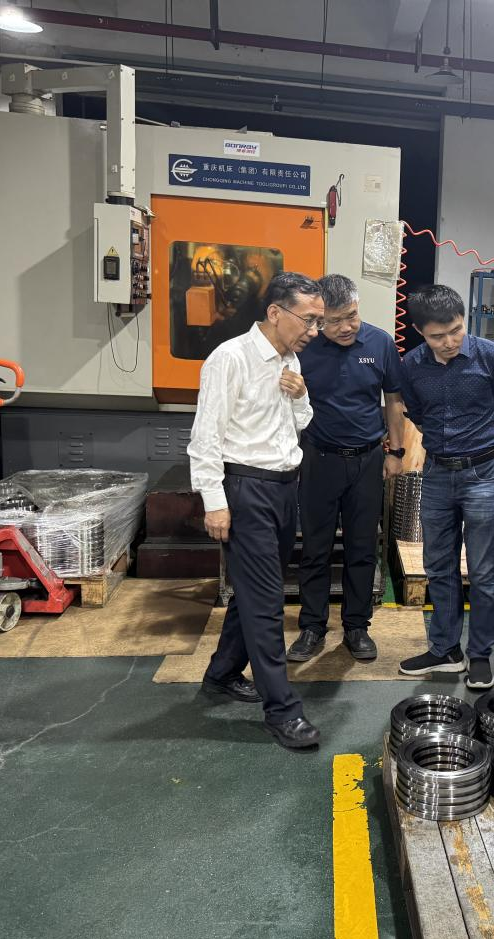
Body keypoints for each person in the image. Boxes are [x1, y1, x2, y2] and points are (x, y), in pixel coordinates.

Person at [187, 271, 324, 751]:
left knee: (253, 592)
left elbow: (299, 424)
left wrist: (301, 396)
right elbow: (205, 437)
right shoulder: (231, 358)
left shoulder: (291, 362)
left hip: (284, 489)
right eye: (308, 320)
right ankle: (282, 710)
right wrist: (215, 502)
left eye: (318, 321)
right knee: (266, 604)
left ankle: (222, 673)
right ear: (275, 312)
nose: (314, 330)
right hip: (246, 490)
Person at [397, 284, 494, 690]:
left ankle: (479, 654)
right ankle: (446, 649)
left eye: (455, 330)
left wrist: (475, 445)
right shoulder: (411, 365)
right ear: (419, 331)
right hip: (436, 474)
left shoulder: (491, 356)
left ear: (463, 320)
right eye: (437, 336)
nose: (449, 342)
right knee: (438, 566)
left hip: (483, 474)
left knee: (484, 571)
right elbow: (416, 413)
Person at [288, 274, 407, 664]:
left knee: (362, 547)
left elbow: (393, 400)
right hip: (318, 458)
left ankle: (357, 627)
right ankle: (312, 627)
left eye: (351, 316)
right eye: (334, 320)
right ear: (319, 318)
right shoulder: (303, 347)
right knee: (315, 548)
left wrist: (396, 451)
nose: (345, 327)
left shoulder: (380, 344)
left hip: (367, 460)